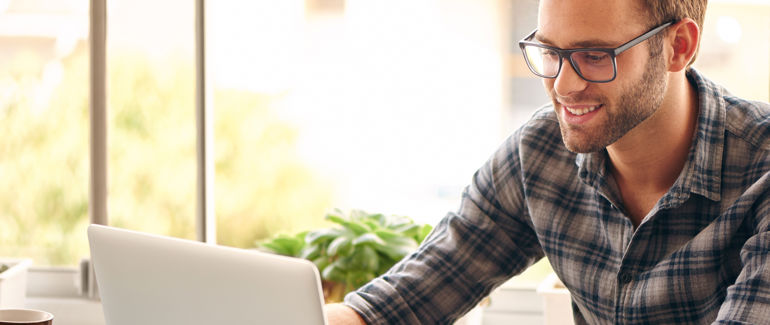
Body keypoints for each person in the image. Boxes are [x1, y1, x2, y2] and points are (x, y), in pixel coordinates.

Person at [326, 0, 770, 323]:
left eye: (595, 56)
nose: (564, 85)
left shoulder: (761, 165)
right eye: (551, 53)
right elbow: (404, 302)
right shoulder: (539, 152)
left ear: (679, 46)